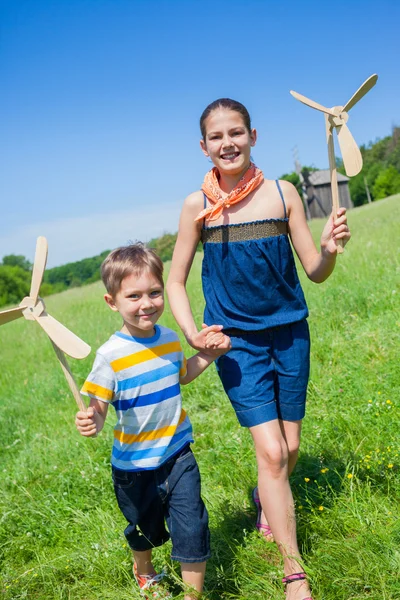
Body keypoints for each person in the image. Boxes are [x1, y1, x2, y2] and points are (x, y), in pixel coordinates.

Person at [166, 98, 351, 600]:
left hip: (291, 333)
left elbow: (314, 270)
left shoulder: (281, 193)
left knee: (289, 450)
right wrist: (192, 332)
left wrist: (330, 249)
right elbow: (176, 280)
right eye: (217, 136)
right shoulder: (196, 206)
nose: (228, 143)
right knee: (270, 452)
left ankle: (266, 501)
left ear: (253, 135)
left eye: (237, 133)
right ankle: (295, 572)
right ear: (203, 147)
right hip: (237, 343)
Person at [75, 243, 230, 600]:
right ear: (112, 302)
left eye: (154, 292)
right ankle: (144, 569)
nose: (146, 303)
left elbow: (183, 374)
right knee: (144, 528)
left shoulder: (171, 340)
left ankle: (192, 596)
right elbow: (98, 405)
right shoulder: (110, 356)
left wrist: (208, 354)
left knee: (192, 525)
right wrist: (93, 420)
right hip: (133, 465)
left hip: (177, 454)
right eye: (134, 296)